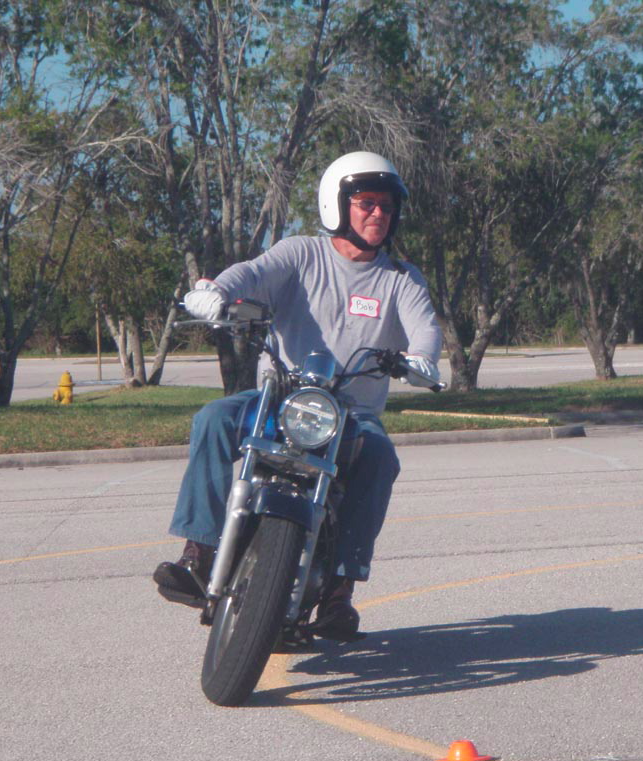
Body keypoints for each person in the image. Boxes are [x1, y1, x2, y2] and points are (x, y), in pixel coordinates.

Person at [153, 151, 443, 641]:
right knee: (213, 419)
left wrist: (422, 361)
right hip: (279, 398)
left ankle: (339, 591)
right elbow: (250, 273)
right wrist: (214, 291)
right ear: (337, 205)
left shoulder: (401, 279)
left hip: (350, 414)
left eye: (387, 206)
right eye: (367, 203)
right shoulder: (300, 253)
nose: (378, 213)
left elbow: (425, 329)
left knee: (379, 457)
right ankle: (199, 552)